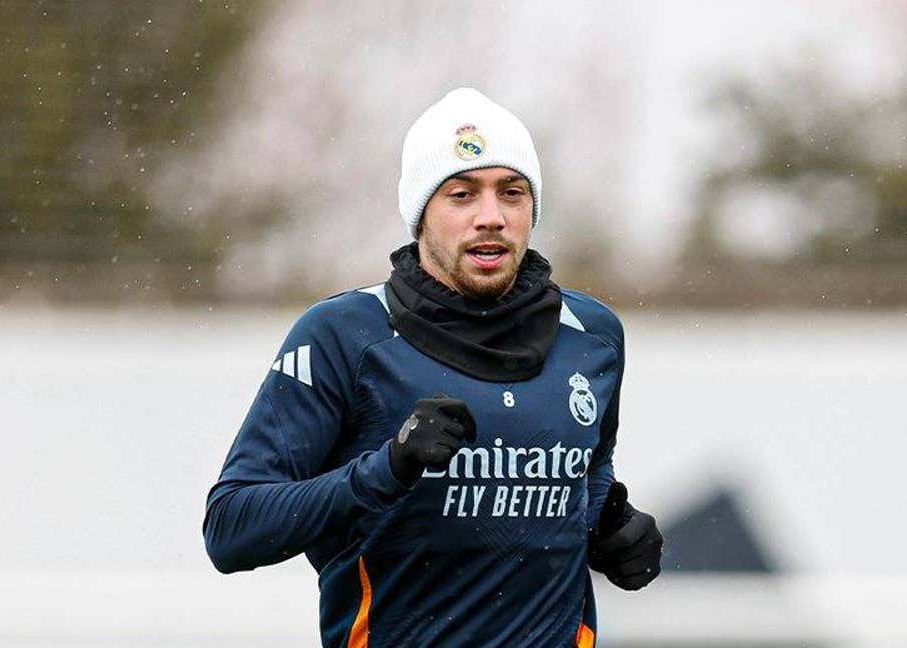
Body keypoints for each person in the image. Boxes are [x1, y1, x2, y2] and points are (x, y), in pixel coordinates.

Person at [203, 87, 663, 647]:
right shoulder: (346, 335)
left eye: (511, 193)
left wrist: (610, 526)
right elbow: (232, 528)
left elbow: (585, 472)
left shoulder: (591, 336)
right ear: (422, 213)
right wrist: (387, 468)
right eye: (462, 195)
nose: (490, 217)